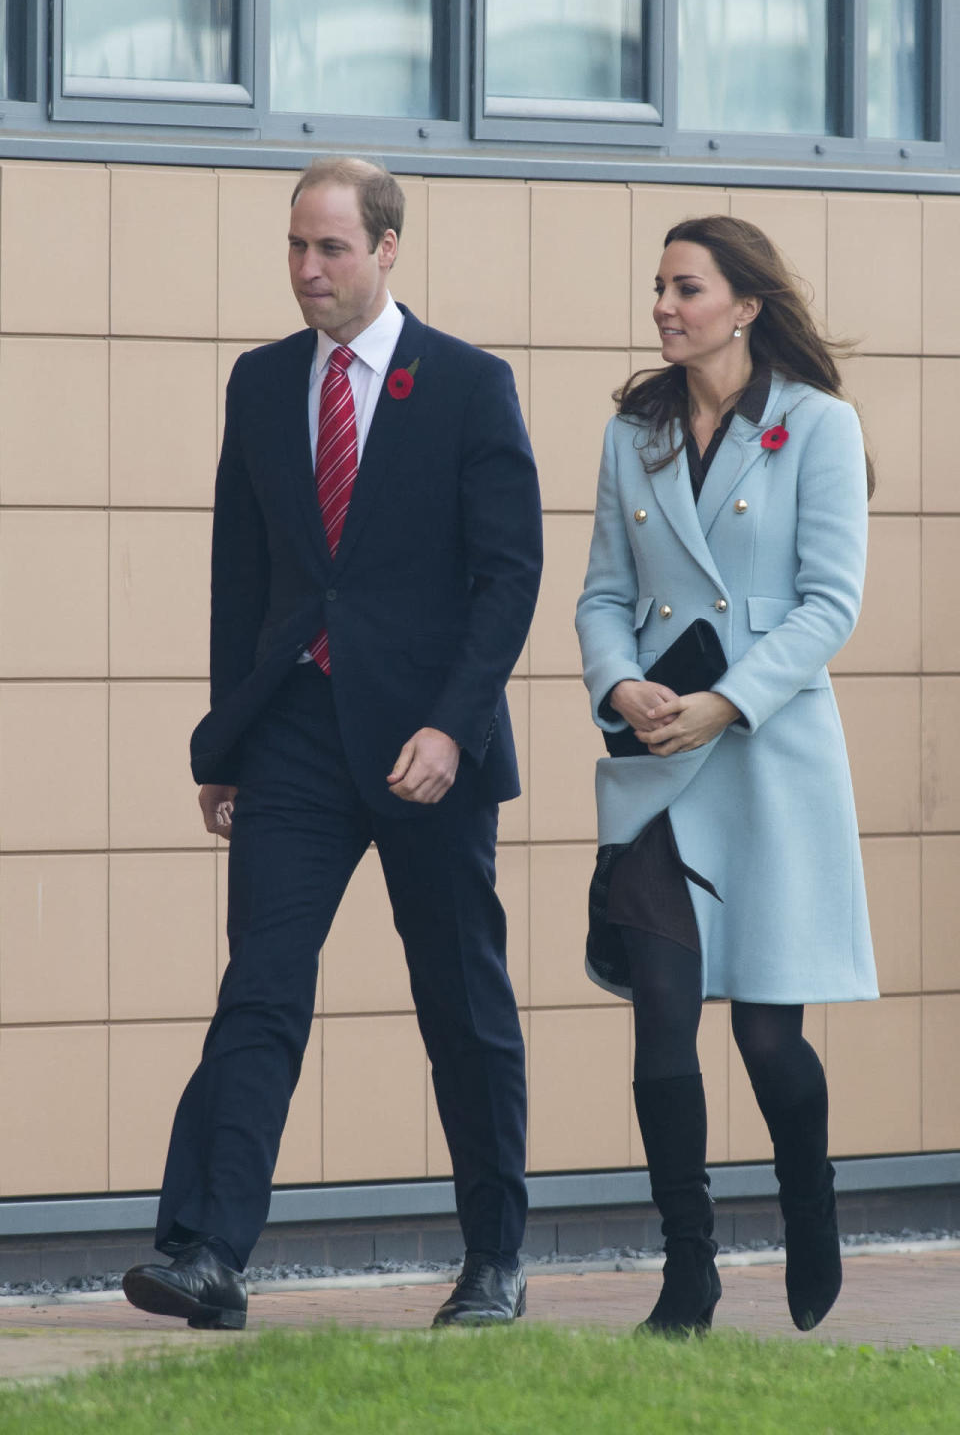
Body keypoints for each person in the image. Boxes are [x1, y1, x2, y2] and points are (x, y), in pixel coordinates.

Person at [123, 157, 542, 1331]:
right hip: (296, 736)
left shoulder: (465, 384)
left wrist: (453, 726)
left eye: (333, 250)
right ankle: (207, 1253)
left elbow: (509, 576)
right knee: (259, 987)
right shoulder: (261, 385)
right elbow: (240, 576)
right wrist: (225, 739)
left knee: (460, 1000)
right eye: (298, 249)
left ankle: (495, 1261)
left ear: (389, 247)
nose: (310, 270)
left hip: (427, 744)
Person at [575, 215, 878, 1337]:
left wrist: (727, 697)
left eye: (685, 287)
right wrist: (620, 686)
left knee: (765, 1038)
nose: (664, 305)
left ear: (744, 304)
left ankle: (810, 1202)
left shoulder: (819, 426)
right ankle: (687, 1271)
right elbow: (603, 592)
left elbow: (829, 603)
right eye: (656, 285)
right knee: (661, 1023)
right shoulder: (634, 432)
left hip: (767, 758)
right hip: (660, 766)